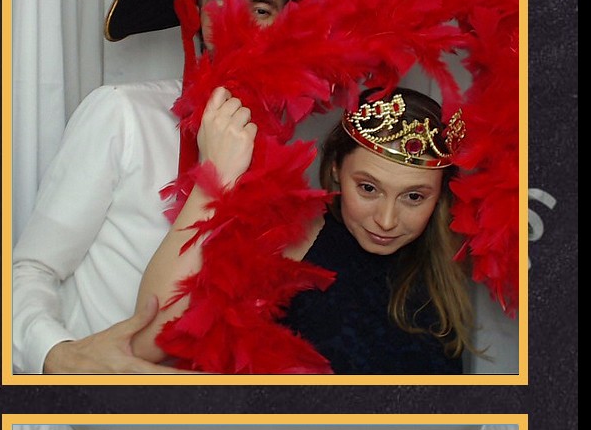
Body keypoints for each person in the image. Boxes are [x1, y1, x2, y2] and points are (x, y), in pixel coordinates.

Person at [11, 0, 366, 373]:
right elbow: (32, 268)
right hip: (96, 401)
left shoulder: (293, 155)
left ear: (288, 24)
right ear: (196, 17)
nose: (237, 20)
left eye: (260, 9)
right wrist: (56, 355)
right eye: (219, 4)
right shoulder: (122, 114)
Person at [133, 86, 473, 374]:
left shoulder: (444, 266)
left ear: (440, 195)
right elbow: (147, 340)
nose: (386, 220)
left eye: (414, 197)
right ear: (337, 168)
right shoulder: (289, 238)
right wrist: (214, 177)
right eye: (368, 188)